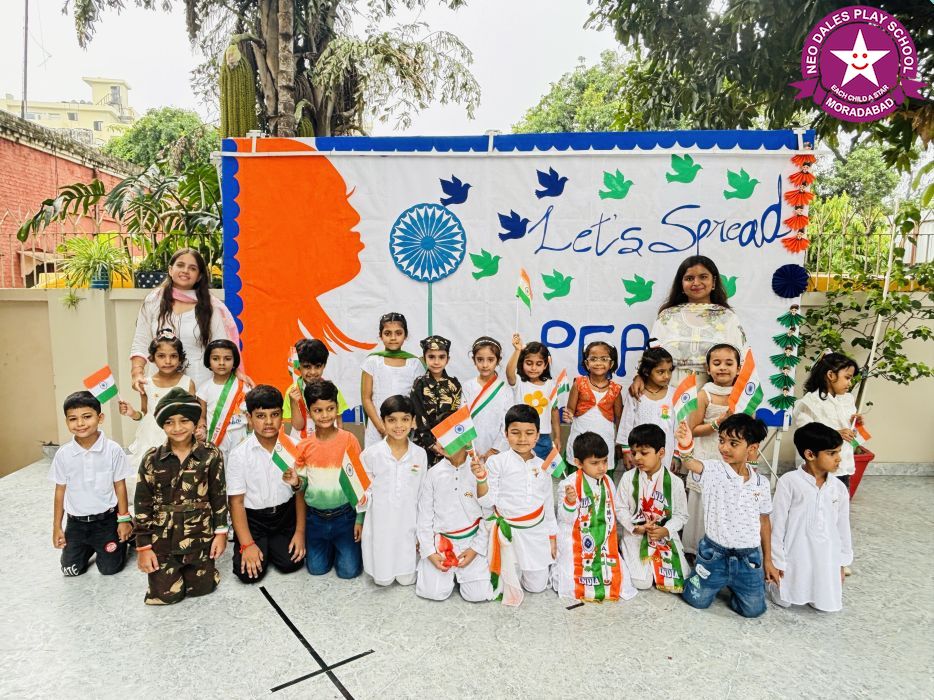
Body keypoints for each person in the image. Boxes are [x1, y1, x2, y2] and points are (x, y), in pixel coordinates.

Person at [676, 413, 779, 617]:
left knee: (753, 611)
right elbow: (690, 463)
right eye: (721, 440)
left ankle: (735, 586)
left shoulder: (762, 484)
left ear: (752, 448)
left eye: (733, 443)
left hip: (748, 559)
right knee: (696, 600)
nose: (724, 448)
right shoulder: (713, 470)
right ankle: (708, 579)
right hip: (713, 555)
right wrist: (685, 445)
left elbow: (765, 522)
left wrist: (768, 560)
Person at [134, 388, 228, 605]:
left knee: (203, 590)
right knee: (166, 597)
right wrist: (144, 547)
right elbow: (142, 504)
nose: (177, 428)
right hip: (163, 542)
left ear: (195, 423)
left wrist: (221, 533)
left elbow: (218, 495)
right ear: (162, 425)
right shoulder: (152, 459)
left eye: (184, 420)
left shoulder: (210, 455)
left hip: (199, 537)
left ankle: (204, 571)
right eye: (169, 422)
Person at [629, 255, 747, 396]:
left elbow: (742, 360)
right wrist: (639, 377)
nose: (696, 283)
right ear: (681, 284)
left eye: (703, 277)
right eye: (689, 278)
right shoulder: (667, 316)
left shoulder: (727, 317)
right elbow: (652, 355)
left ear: (713, 282)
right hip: (668, 391)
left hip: (714, 394)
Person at [475, 404, 557, 606]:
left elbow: (548, 505)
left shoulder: (543, 466)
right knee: (506, 586)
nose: (522, 439)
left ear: (537, 435)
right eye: (515, 432)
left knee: (536, 586)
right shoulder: (497, 462)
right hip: (508, 534)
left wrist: (552, 538)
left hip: (535, 533)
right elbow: (487, 502)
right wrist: (481, 479)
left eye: (529, 433)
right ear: (506, 434)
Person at [282, 380, 364, 579]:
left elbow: (359, 484)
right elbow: (303, 485)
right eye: (318, 410)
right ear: (309, 413)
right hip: (315, 519)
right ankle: (332, 547)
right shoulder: (304, 446)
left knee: (349, 572)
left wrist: (359, 519)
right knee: (316, 569)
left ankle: (342, 547)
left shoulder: (349, 440)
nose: (325, 415)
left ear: (337, 408)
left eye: (330, 409)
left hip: (345, 517)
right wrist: (296, 482)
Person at [769, 423, 853, 612]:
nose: (838, 458)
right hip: (795, 553)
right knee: (784, 600)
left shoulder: (838, 488)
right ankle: (780, 586)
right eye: (832, 453)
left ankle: (817, 590)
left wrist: (841, 563)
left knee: (825, 605)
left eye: (838, 452)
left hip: (826, 555)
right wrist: (776, 561)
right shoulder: (789, 482)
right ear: (810, 454)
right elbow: (777, 525)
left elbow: (842, 527)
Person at [226, 385, 306, 584]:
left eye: (275, 415)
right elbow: (236, 503)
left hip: (285, 516)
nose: (269, 422)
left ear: (282, 416)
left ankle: (272, 546)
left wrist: (299, 533)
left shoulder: (294, 447)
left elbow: (300, 492)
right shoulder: (239, 454)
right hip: (254, 519)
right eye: (261, 416)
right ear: (249, 418)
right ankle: (257, 544)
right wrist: (247, 544)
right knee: (248, 575)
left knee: (291, 563)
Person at [130, 248, 240, 390]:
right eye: (180, 265)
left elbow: (222, 347)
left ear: (199, 276)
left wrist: (237, 372)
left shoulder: (211, 306)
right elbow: (141, 341)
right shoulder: (154, 300)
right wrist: (137, 373)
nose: (185, 271)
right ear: (170, 270)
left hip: (200, 385)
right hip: (160, 385)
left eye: (192, 268)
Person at [50, 391, 134, 577]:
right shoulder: (63, 454)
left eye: (87, 417)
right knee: (70, 571)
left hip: (106, 521)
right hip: (76, 523)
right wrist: (57, 527)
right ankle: (87, 546)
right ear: (67, 422)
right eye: (73, 419)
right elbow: (60, 491)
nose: (80, 423)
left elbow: (120, 486)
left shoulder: (112, 450)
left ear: (100, 418)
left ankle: (129, 531)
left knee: (109, 570)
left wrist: (123, 519)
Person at [553, 432, 637, 602]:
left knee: (618, 577)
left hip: (603, 537)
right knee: (571, 578)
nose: (602, 468)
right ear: (578, 463)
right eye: (594, 463)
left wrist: (632, 525)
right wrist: (570, 502)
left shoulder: (608, 481)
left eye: (604, 461)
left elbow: (614, 511)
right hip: (576, 537)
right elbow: (564, 519)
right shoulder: (568, 484)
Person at [359, 395, 427, 586]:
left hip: (408, 523)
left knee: (406, 579)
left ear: (413, 421)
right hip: (380, 523)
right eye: (391, 420)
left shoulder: (419, 454)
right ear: (383, 422)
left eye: (405, 419)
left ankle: (406, 565)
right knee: (383, 580)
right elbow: (364, 491)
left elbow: (422, 494)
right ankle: (381, 569)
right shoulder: (371, 454)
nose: (398, 426)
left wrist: (422, 532)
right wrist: (361, 497)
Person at [682, 343, 740, 554]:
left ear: (738, 368)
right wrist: (718, 423)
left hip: (732, 460)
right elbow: (693, 429)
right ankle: (698, 549)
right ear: (708, 369)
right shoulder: (704, 394)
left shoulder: (742, 394)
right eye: (717, 363)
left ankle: (725, 549)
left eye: (729, 363)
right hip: (707, 456)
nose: (722, 367)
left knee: (727, 503)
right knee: (704, 503)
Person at [415, 445, 493, 603]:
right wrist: (430, 552)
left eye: (449, 438)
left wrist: (475, 548)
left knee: (478, 595)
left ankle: (465, 574)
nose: (442, 444)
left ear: (465, 441)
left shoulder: (479, 471)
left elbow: (489, 514)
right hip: (442, 543)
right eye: (439, 439)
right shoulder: (433, 473)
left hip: (472, 541)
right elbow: (425, 516)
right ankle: (447, 575)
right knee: (433, 593)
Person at [617, 425, 689, 592]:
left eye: (644, 453)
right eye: (634, 453)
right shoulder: (628, 478)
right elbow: (620, 508)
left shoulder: (675, 482)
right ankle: (625, 550)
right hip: (636, 533)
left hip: (662, 534)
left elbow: (681, 515)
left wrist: (666, 530)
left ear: (661, 453)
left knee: (677, 581)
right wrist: (635, 527)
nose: (637, 458)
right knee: (641, 582)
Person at [120, 331, 196, 468]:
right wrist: (132, 413)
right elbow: (144, 414)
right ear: (152, 358)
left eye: (173, 356)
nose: (168, 361)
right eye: (161, 356)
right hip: (150, 438)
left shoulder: (187, 382)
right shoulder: (146, 383)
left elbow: (192, 416)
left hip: (178, 435)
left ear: (180, 358)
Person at [793, 352, 862, 489]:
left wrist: (856, 426)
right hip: (818, 470)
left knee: (839, 499)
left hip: (842, 466)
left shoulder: (848, 400)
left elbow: (854, 438)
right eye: (847, 377)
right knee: (816, 499)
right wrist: (835, 433)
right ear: (831, 375)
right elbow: (805, 436)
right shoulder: (810, 403)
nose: (850, 383)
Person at [361, 312, 423, 448]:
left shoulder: (414, 363)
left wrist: (406, 425)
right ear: (380, 335)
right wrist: (381, 428)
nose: (393, 338)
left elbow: (418, 400)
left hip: (403, 428)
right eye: (387, 333)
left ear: (405, 335)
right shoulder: (372, 361)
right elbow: (366, 398)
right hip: (377, 428)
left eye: (398, 333)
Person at [565, 341, 623, 474]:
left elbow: (619, 417)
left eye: (604, 359)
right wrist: (568, 415)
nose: (598, 363)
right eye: (593, 359)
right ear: (587, 363)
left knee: (601, 475)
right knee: (578, 475)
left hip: (605, 439)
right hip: (580, 438)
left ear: (611, 364)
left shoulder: (615, 389)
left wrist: (620, 442)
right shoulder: (578, 384)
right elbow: (570, 410)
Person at [617, 347, 677, 471]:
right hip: (638, 451)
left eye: (670, 371)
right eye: (660, 372)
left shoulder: (674, 394)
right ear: (646, 372)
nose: (667, 376)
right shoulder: (636, 393)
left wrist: (676, 454)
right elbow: (626, 422)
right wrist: (626, 451)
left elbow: (679, 426)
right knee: (638, 480)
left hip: (665, 452)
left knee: (662, 480)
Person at [506, 334, 562, 459]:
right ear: (522, 362)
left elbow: (554, 411)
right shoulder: (519, 382)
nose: (533, 368)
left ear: (545, 365)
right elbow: (509, 374)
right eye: (529, 363)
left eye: (539, 364)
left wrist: (557, 437)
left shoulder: (551, 384)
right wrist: (517, 350)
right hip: (521, 435)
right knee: (519, 467)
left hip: (543, 437)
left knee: (540, 469)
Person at [410, 335, 462, 467]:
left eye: (441, 357)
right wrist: (431, 444)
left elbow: (455, 416)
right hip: (423, 445)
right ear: (424, 358)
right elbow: (418, 416)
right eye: (431, 357)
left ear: (447, 359)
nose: (436, 362)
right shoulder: (419, 384)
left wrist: (446, 442)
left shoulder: (454, 385)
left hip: (449, 445)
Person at [195, 339, 248, 463]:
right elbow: (202, 417)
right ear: (208, 361)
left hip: (240, 436)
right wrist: (202, 429)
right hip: (216, 439)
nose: (222, 363)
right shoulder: (204, 389)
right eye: (215, 359)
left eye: (227, 359)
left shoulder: (244, 386)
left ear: (235, 361)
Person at [284, 338, 348, 438]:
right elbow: (298, 426)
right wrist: (294, 402)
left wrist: (340, 442)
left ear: (324, 365)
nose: (313, 372)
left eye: (317, 366)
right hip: (302, 443)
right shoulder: (292, 392)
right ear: (298, 366)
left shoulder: (332, 390)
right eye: (307, 367)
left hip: (328, 442)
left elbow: (339, 421)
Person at [460, 336, 511, 462]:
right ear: (474, 360)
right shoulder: (467, 386)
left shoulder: (505, 389)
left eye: (490, 360)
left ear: (498, 360)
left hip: (496, 452)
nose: (485, 365)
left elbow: (508, 422)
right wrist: (469, 448)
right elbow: (462, 418)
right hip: (470, 450)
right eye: (480, 360)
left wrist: (495, 449)